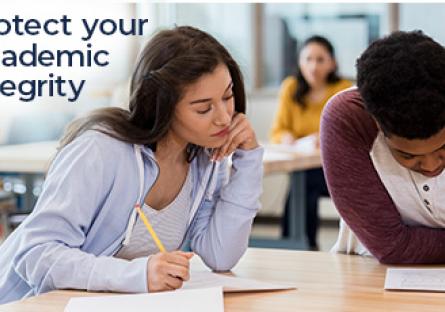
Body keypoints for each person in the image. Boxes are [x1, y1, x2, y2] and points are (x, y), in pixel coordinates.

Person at [0, 26, 263, 304]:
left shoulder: (204, 157)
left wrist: (249, 159)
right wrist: (135, 275)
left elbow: (220, 254)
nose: (224, 118)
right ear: (162, 105)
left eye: (227, 96)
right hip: (26, 303)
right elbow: (36, 253)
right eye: (203, 108)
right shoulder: (99, 150)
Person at [322, 30, 445, 263]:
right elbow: (392, 246)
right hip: (368, 271)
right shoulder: (349, 118)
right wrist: (401, 244)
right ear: (375, 121)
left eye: (443, 148)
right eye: (408, 155)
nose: (431, 166)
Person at [269, 35, 352, 250]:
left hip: (336, 169)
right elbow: (278, 131)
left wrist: (323, 137)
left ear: (332, 63)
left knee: (305, 183)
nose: (313, 66)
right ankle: (299, 244)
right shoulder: (290, 88)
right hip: (303, 163)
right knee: (304, 180)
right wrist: (286, 137)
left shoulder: (343, 89)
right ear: (300, 62)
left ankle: (298, 244)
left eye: (320, 59)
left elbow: (350, 133)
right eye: (308, 59)